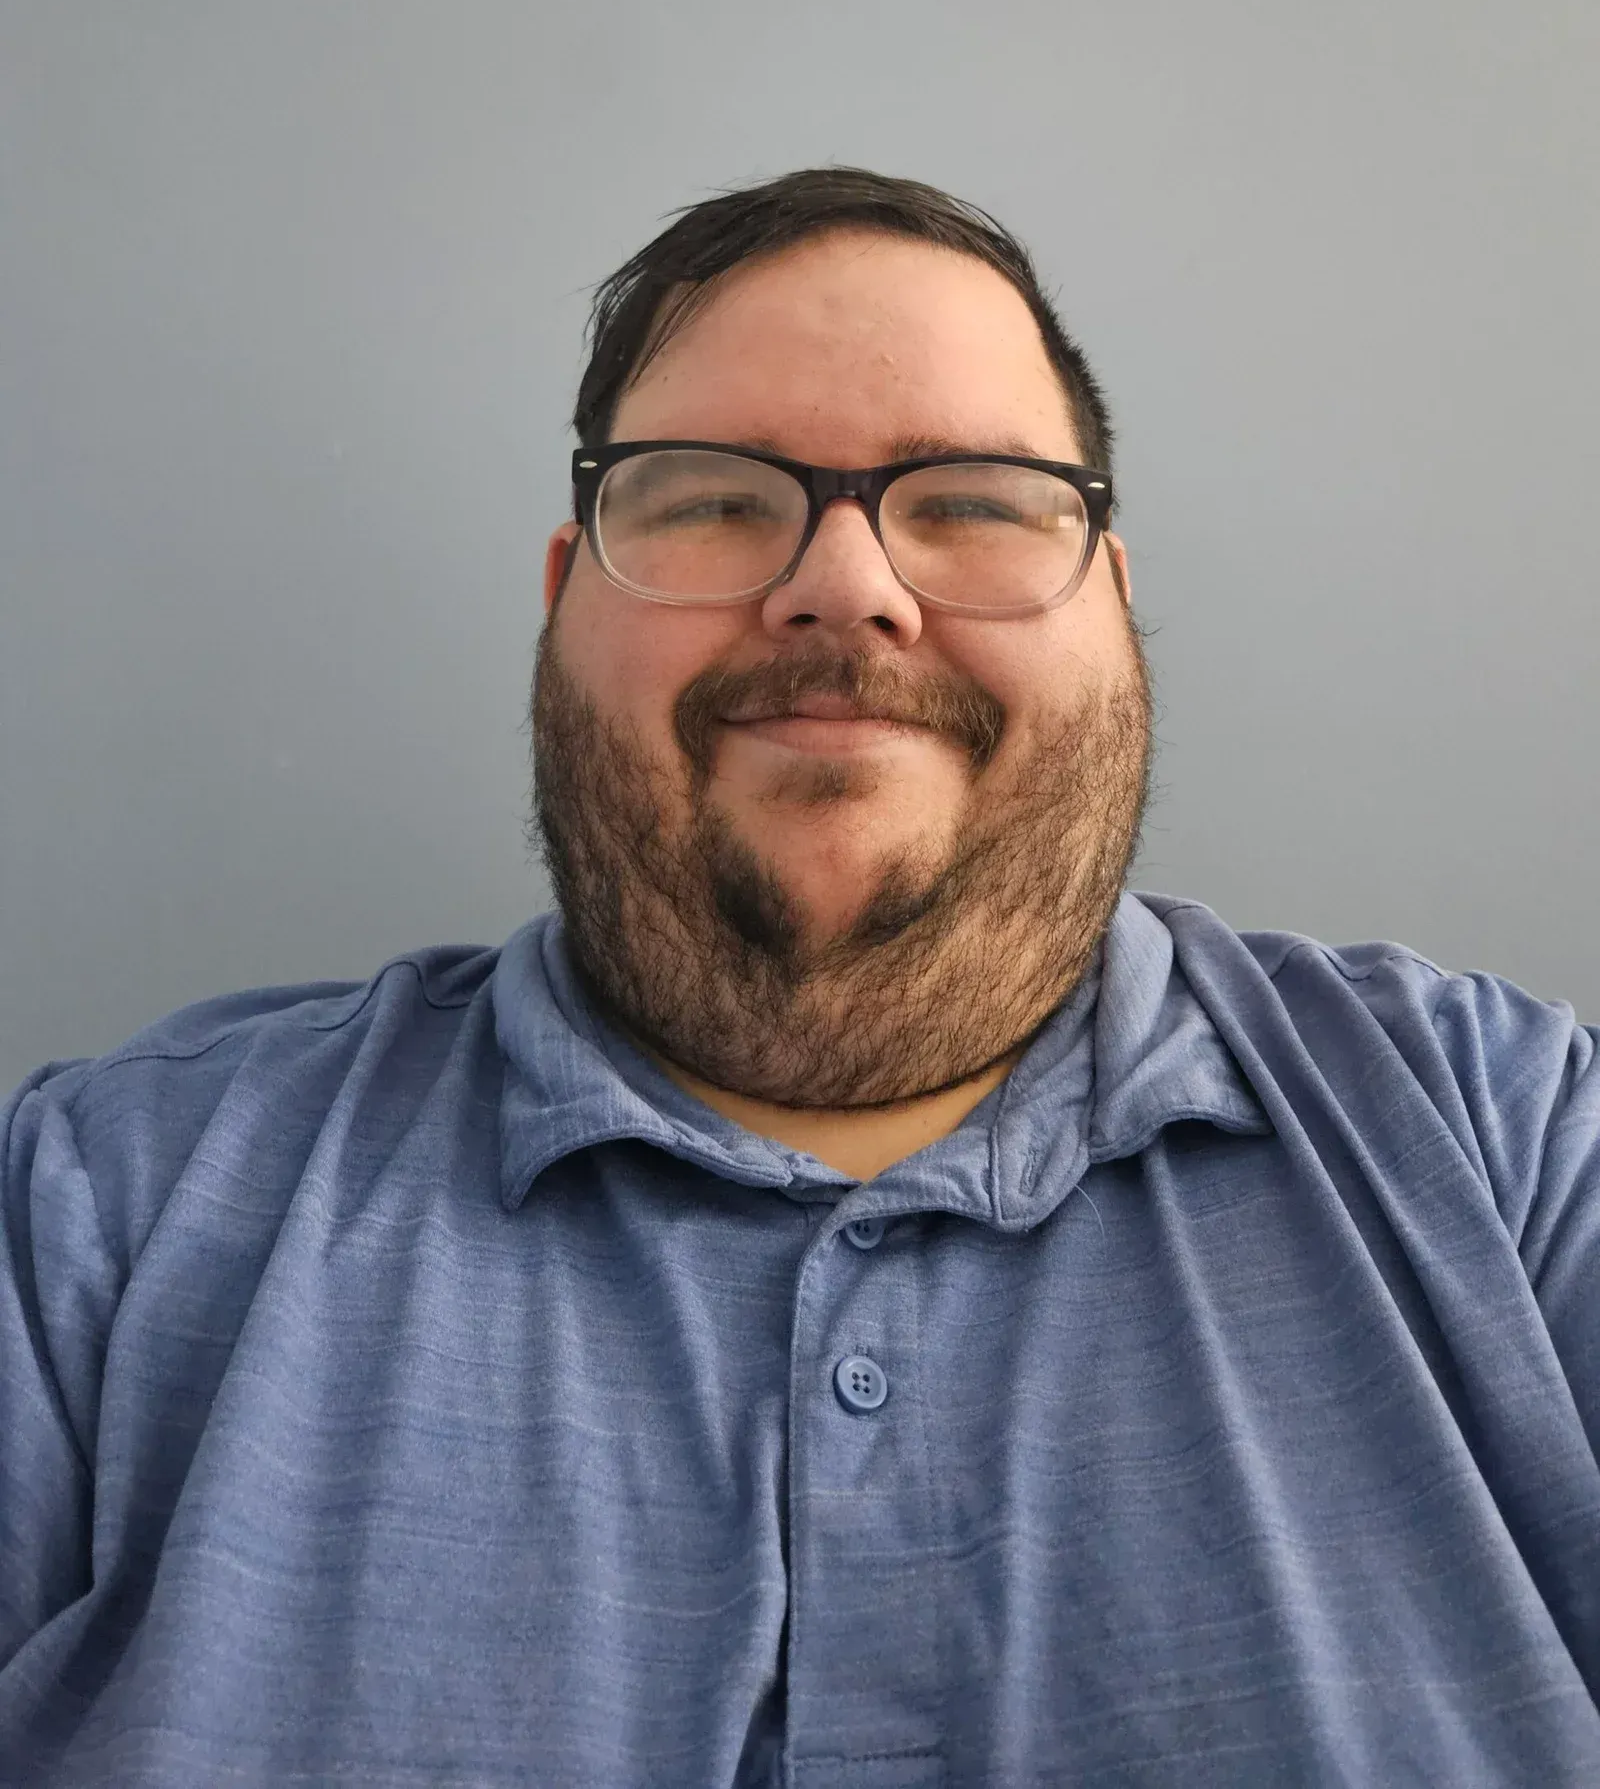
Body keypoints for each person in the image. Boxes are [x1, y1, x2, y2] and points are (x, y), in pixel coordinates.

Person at [2, 167, 1598, 1789]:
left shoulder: (1521, 1153)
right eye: (707, 499)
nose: (846, 583)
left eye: (975, 500)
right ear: (566, 602)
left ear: (1115, 606)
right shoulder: (94, 1221)